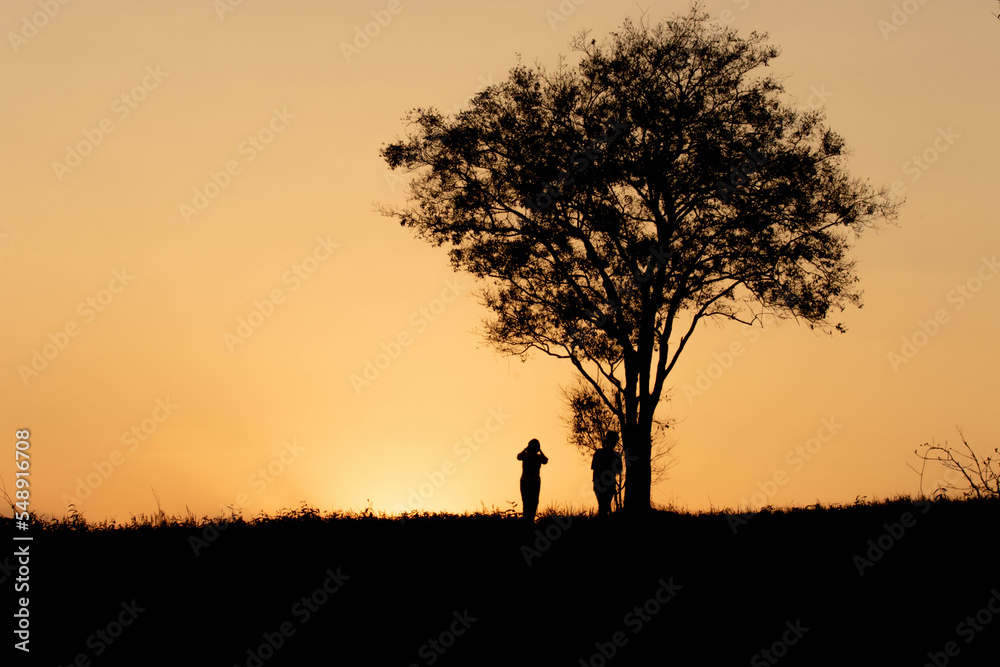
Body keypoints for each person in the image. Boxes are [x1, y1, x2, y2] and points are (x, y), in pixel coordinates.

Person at [516, 439, 548, 522]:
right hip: (527, 482)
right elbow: (518, 457)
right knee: (527, 502)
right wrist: (526, 449)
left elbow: (545, 460)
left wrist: (539, 450)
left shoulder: (537, 457)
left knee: (533, 502)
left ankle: (530, 520)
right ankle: (527, 520)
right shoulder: (526, 456)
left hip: (533, 482)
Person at [591, 430, 621, 517]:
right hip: (603, 484)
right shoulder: (601, 454)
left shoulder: (599, 453)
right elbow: (595, 470)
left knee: (603, 507)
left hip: (606, 484)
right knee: (603, 507)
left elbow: (595, 470)